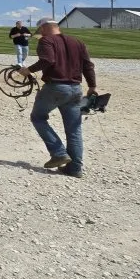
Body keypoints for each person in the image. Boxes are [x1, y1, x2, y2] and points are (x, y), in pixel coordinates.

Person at [19, 17, 99, 178]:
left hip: (55, 87)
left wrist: (29, 70)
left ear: (43, 28)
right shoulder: (77, 42)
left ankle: (58, 152)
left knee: (38, 117)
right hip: (76, 89)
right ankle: (75, 169)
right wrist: (92, 86)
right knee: (74, 130)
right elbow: (88, 65)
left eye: (40, 31)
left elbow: (48, 60)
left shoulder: (46, 41)